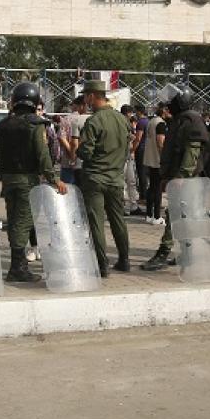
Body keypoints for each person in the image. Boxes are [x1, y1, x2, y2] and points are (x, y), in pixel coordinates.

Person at [0, 81, 65, 282]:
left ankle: (16, 265)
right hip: (27, 179)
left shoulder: (3, 124)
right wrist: (54, 179)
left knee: (14, 219)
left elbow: (0, 154)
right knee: (23, 222)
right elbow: (43, 155)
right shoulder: (36, 125)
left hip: (8, 179)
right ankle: (18, 268)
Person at [141, 89, 209, 272]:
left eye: (172, 102)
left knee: (175, 214)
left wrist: (181, 176)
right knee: (182, 215)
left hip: (185, 180)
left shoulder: (191, 121)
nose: (168, 105)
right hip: (178, 177)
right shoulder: (181, 120)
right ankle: (187, 254)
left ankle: (164, 252)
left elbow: (192, 152)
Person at [77, 79, 132, 276]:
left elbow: (85, 152)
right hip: (116, 177)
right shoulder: (122, 119)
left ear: (92, 96)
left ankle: (102, 265)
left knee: (96, 222)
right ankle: (124, 260)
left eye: (86, 97)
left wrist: (80, 151)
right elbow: (127, 148)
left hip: (95, 178)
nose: (85, 101)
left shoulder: (93, 121)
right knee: (118, 220)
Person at [141, 102, 167, 224]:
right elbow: (160, 142)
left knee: (151, 187)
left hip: (149, 158)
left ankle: (149, 214)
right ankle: (156, 216)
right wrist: (164, 157)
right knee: (157, 189)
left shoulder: (151, 121)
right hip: (157, 160)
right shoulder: (161, 123)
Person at [59, 95, 88, 185]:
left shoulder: (66, 119)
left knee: (68, 189)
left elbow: (62, 137)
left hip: (68, 162)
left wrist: (72, 153)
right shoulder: (91, 119)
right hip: (84, 162)